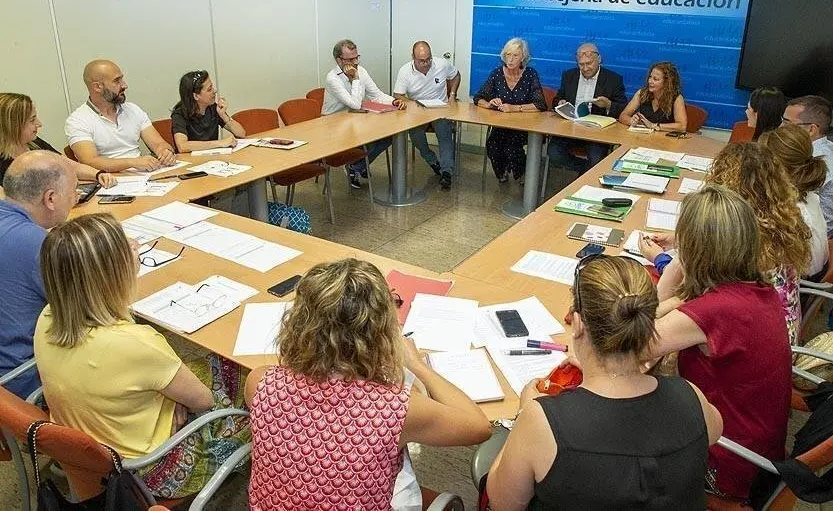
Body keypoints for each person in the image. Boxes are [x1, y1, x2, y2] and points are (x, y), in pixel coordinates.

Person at [245, 258, 491, 511]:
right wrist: (418, 366)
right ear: (381, 332)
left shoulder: (259, 381)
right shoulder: (398, 409)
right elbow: (479, 427)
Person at [34, 213, 250, 499]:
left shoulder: (47, 317)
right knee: (254, 398)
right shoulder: (135, 344)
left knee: (204, 369)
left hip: (97, 447)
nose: (136, 248)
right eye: (128, 250)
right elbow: (204, 401)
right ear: (112, 276)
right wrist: (177, 404)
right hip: (149, 470)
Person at [486, 255, 721, 510]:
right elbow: (714, 430)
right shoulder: (690, 396)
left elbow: (503, 503)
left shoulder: (541, 421)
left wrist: (523, 414)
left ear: (576, 324)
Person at [650, 185, 791, 500]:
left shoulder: (715, 311)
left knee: (610, 433)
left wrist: (669, 277)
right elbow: (682, 313)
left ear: (693, 250)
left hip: (725, 467)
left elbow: (635, 344)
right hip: (759, 454)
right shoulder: (754, 289)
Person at [701, 143, 810, 344]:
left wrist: (663, 259)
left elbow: (702, 292)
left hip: (759, 343)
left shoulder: (743, 238)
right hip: (783, 332)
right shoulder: (782, 218)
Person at [0, 152, 76, 398]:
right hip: (22, 380)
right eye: (74, 191)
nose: (76, 198)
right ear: (51, 198)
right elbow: (91, 307)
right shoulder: (38, 244)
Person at [65, 59, 177, 173]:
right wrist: (132, 162)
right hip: (109, 181)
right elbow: (90, 161)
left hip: (144, 176)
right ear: (97, 87)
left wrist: (164, 151)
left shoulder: (132, 109)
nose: (124, 85)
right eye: (117, 81)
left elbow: (158, 143)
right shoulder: (77, 120)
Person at [323, 39, 406, 189]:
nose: (355, 62)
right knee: (371, 134)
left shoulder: (361, 70)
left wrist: (393, 101)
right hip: (333, 124)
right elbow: (354, 103)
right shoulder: (332, 79)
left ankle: (357, 165)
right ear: (339, 60)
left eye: (357, 57)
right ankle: (357, 166)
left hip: (354, 117)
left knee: (389, 134)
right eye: (350, 59)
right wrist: (355, 78)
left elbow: (376, 95)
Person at [0, 93, 115, 187]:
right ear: (12, 125)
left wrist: (97, 174)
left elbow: (65, 165)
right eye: (32, 120)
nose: (39, 124)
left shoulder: (34, 143)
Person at [473, 38, 547, 183]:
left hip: (523, 127)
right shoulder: (497, 74)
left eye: (515, 56)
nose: (511, 60)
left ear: (523, 58)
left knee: (511, 147)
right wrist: (489, 104)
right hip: (502, 125)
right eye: (508, 55)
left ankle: (523, 175)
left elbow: (540, 104)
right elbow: (478, 98)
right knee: (492, 146)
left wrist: (514, 108)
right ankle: (503, 172)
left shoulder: (530, 74)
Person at [759, 124, 828, 280]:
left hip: (797, 286)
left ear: (773, 167)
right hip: (804, 275)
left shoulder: (789, 211)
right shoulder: (808, 195)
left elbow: (769, 268)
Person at [548, 43, 628, 172]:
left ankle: (589, 173)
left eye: (589, 63)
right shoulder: (569, 76)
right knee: (554, 154)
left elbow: (623, 109)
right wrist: (559, 102)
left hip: (597, 133)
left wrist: (608, 105)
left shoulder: (613, 79)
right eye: (581, 64)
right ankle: (587, 172)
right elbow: (558, 98)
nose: (585, 68)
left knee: (596, 158)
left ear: (599, 60)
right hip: (570, 129)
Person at [393, 41, 461, 190]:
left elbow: (456, 75)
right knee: (416, 135)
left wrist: (452, 95)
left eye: (428, 59)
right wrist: (414, 104)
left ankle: (446, 172)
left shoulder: (441, 64)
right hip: (417, 111)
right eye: (421, 61)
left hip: (440, 108)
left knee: (444, 133)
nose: (426, 63)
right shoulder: (405, 71)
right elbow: (398, 95)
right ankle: (432, 161)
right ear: (413, 58)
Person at [783, 95, 833, 235]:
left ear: (811, 129)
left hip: (808, 238)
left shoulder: (813, 161)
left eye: (786, 123)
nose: (780, 128)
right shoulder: (827, 146)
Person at [170, 70, 246, 153]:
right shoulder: (179, 115)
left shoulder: (213, 108)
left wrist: (223, 115)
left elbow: (241, 133)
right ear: (196, 96)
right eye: (209, 89)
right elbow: (183, 146)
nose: (214, 91)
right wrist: (219, 143)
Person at [619, 61, 687, 132]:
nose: (650, 81)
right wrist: (631, 120)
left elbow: (682, 126)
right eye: (650, 77)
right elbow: (622, 116)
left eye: (655, 79)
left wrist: (654, 125)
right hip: (642, 138)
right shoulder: (642, 93)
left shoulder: (677, 98)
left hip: (665, 140)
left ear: (667, 83)